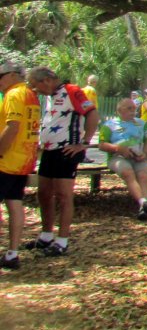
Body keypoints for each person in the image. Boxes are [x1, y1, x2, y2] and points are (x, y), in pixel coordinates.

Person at [23, 66, 98, 257]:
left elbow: (92, 114)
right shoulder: (49, 96)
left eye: (35, 85)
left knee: (64, 195)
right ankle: (46, 235)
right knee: (44, 193)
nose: (34, 90)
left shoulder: (73, 91)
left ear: (47, 80)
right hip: (48, 150)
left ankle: (62, 241)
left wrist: (84, 143)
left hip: (66, 151)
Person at [0, 63, 41, 271]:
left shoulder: (14, 94)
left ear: (13, 75)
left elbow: (13, 126)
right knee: (14, 204)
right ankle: (12, 253)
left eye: (1, 76)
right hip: (24, 161)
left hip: (6, 160)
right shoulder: (31, 96)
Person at [98, 98, 147, 220]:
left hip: (138, 156)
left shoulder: (141, 123)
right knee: (128, 173)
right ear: (119, 110)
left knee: (144, 176)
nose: (133, 111)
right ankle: (143, 203)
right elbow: (102, 145)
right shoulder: (109, 125)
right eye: (129, 108)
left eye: (134, 108)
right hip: (117, 157)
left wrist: (145, 153)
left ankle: (143, 208)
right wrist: (119, 149)